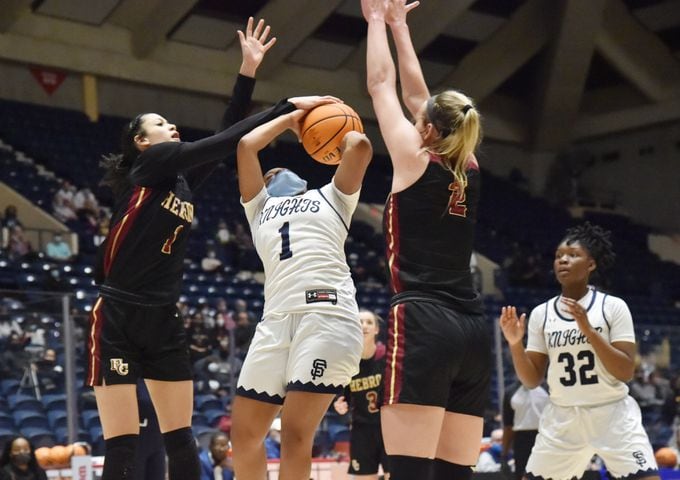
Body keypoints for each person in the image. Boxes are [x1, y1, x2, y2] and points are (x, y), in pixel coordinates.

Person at [84, 17, 301, 480]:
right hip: (119, 312)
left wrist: (247, 73)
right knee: (121, 445)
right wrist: (287, 108)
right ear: (144, 143)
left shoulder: (177, 182)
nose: (171, 125)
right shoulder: (152, 165)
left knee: (180, 439)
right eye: (160, 124)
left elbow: (225, 145)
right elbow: (223, 140)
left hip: (163, 313)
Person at [362, 1, 489, 478]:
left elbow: (380, 86)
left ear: (430, 130)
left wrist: (375, 20)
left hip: (425, 322)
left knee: (409, 471)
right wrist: (401, 26)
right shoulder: (469, 164)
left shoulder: (414, 158)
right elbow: (421, 98)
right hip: (473, 329)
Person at [229, 100, 373, 480]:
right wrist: (290, 118)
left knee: (295, 435)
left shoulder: (331, 197)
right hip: (275, 322)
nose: (273, 171)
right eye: (268, 171)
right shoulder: (257, 207)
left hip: (326, 316)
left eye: (280, 168)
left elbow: (358, 145)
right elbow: (246, 147)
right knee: (243, 437)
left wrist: (321, 122)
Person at [499, 222, 660, 480]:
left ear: (591, 265)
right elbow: (531, 380)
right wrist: (515, 343)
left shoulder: (613, 307)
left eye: (573, 255)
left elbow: (625, 371)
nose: (563, 260)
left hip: (612, 414)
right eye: (558, 256)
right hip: (563, 417)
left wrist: (589, 331)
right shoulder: (542, 313)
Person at [333, 309, 389, 480]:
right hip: (361, 430)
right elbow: (342, 399)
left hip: (389, 428)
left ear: (377, 330)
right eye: (360, 322)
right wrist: (339, 405)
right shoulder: (347, 363)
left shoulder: (388, 358)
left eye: (369, 322)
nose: (364, 326)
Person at [500, 382, 549, 479]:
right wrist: (504, 456)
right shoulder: (510, 391)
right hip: (521, 441)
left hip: (546, 438)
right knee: (523, 476)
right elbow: (508, 427)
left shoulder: (550, 387)